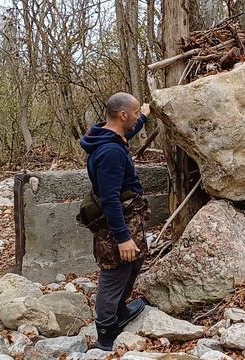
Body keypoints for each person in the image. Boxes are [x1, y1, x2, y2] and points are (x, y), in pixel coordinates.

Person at [79, 92, 151, 351]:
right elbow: (110, 199)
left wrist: (143, 115)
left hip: (128, 215)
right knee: (115, 271)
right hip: (116, 220)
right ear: (122, 115)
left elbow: (127, 134)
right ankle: (107, 333)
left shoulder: (110, 136)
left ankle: (120, 311)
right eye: (133, 114)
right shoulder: (110, 152)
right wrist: (123, 238)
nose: (135, 118)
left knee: (134, 261)